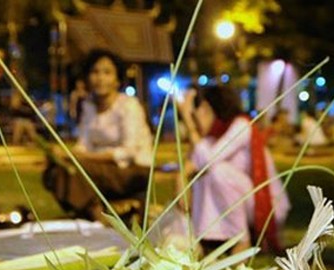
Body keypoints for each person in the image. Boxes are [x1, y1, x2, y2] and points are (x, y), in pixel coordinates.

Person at [177, 85, 290, 255]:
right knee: (206, 176)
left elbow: (208, 160)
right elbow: (192, 164)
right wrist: (180, 178)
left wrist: (188, 122)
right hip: (243, 197)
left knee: (217, 171)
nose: (197, 115)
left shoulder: (241, 125)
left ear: (212, 109)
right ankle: (205, 238)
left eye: (201, 110)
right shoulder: (213, 135)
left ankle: (241, 239)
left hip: (267, 204)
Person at [45, 49, 153, 220]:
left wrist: (84, 157)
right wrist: (66, 155)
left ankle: (96, 216)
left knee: (80, 168)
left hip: (132, 169)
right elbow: (83, 143)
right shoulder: (89, 106)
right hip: (99, 167)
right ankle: (89, 211)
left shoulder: (128, 106)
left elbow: (128, 152)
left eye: (107, 73)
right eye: (95, 72)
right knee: (56, 169)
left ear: (117, 80)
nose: (100, 78)